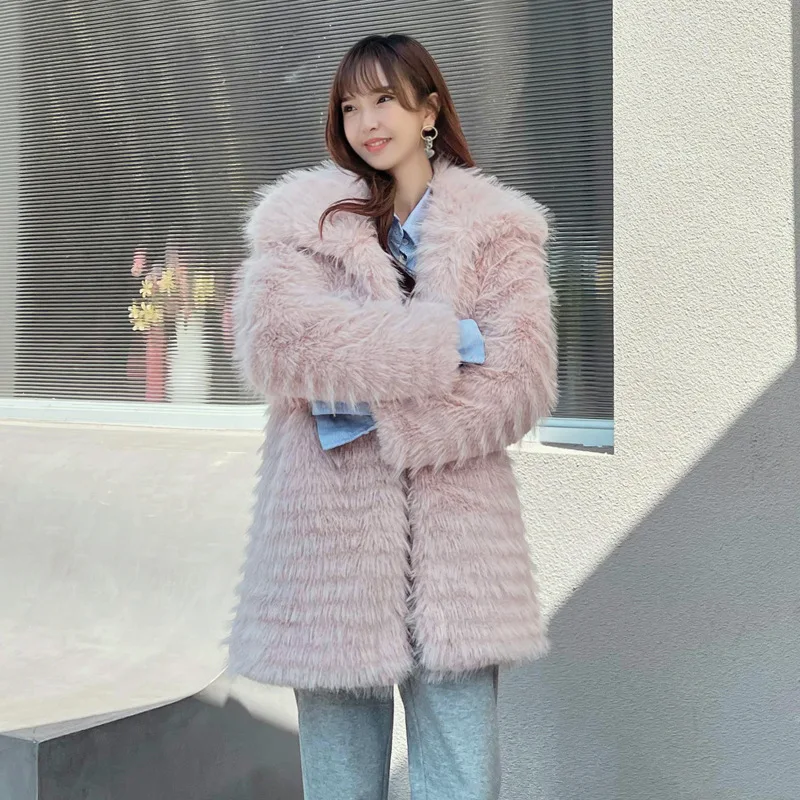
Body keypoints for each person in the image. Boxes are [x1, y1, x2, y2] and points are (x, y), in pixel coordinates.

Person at [226, 32, 558, 800]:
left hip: (463, 558)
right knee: (339, 785)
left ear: (429, 109)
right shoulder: (305, 221)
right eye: (350, 106)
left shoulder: (499, 230)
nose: (367, 121)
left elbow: (520, 383)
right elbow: (278, 346)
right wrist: (448, 344)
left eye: (384, 99)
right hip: (328, 552)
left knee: (462, 783)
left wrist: (368, 407)